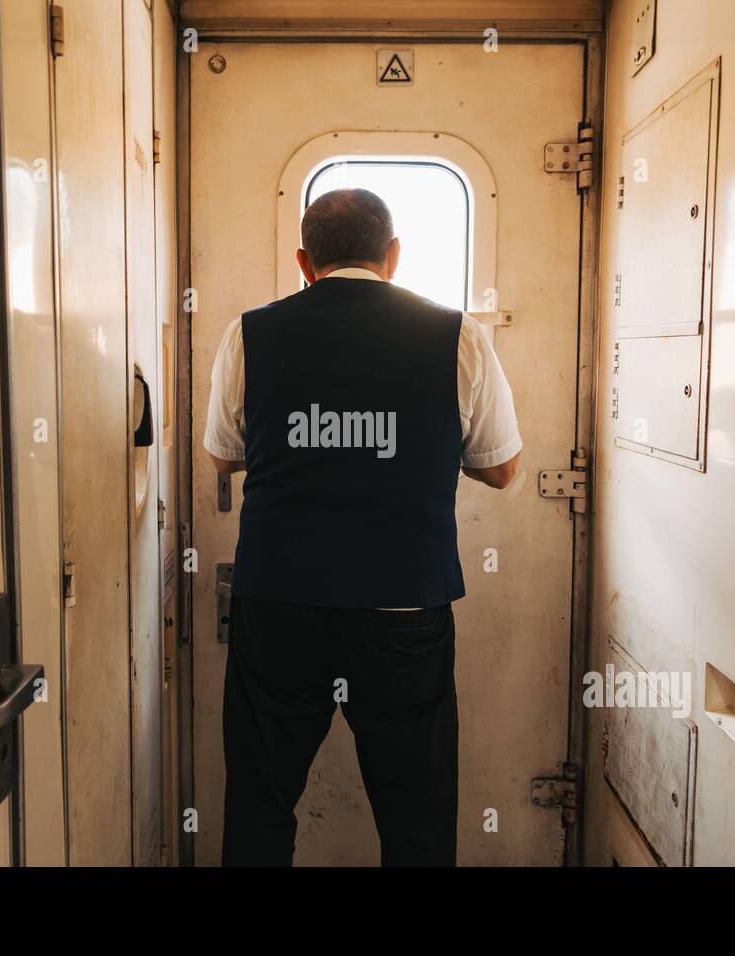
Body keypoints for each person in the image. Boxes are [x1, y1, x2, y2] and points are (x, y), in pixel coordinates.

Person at [204, 187, 521, 866]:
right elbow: (501, 469)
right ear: (393, 256)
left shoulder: (248, 334)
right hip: (403, 606)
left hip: (278, 606)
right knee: (417, 817)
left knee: (260, 804)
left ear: (303, 262)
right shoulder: (458, 335)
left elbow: (225, 453)